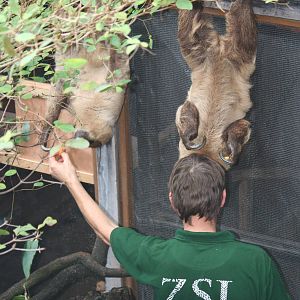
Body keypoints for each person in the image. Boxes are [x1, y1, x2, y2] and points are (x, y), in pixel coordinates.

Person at [49, 152, 291, 300]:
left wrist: (70, 179)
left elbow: (106, 230)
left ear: (172, 202)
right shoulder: (256, 261)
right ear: (223, 198)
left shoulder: (157, 256)